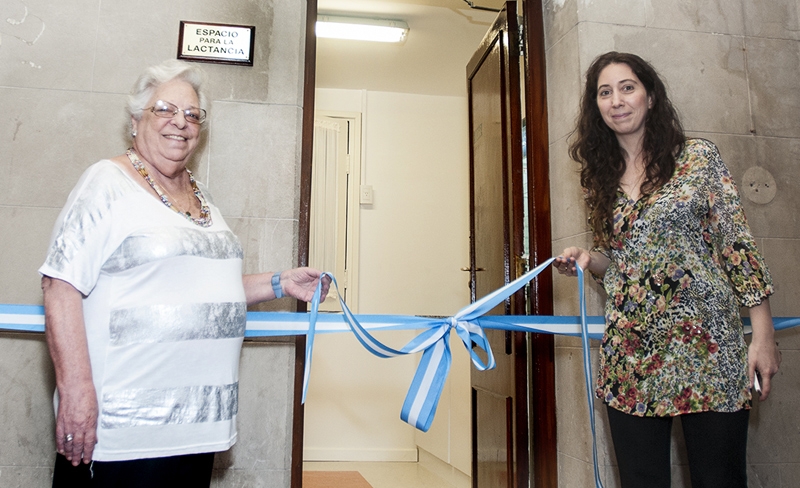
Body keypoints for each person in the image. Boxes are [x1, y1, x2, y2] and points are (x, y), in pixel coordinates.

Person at [39, 59, 329, 487]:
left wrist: (279, 282)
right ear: (136, 120)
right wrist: (77, 393)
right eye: (165, 109)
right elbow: (60, 285)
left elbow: (209, 289)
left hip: (198, 430)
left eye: (193, 114)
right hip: (124, 431)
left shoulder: (201, 194)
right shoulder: (106, 182)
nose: (181, 122)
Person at [555, 51, 781, 488]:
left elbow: (736, 245)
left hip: (709, 348)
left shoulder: (698, 158)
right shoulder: (596, 177)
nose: (617, 100)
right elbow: (614, 258)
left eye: (627, 87)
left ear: (651, 96)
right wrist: (588, 259)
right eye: (605, 92)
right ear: (595, 107)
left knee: (719, 479)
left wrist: (764, 336)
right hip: (632, 353)